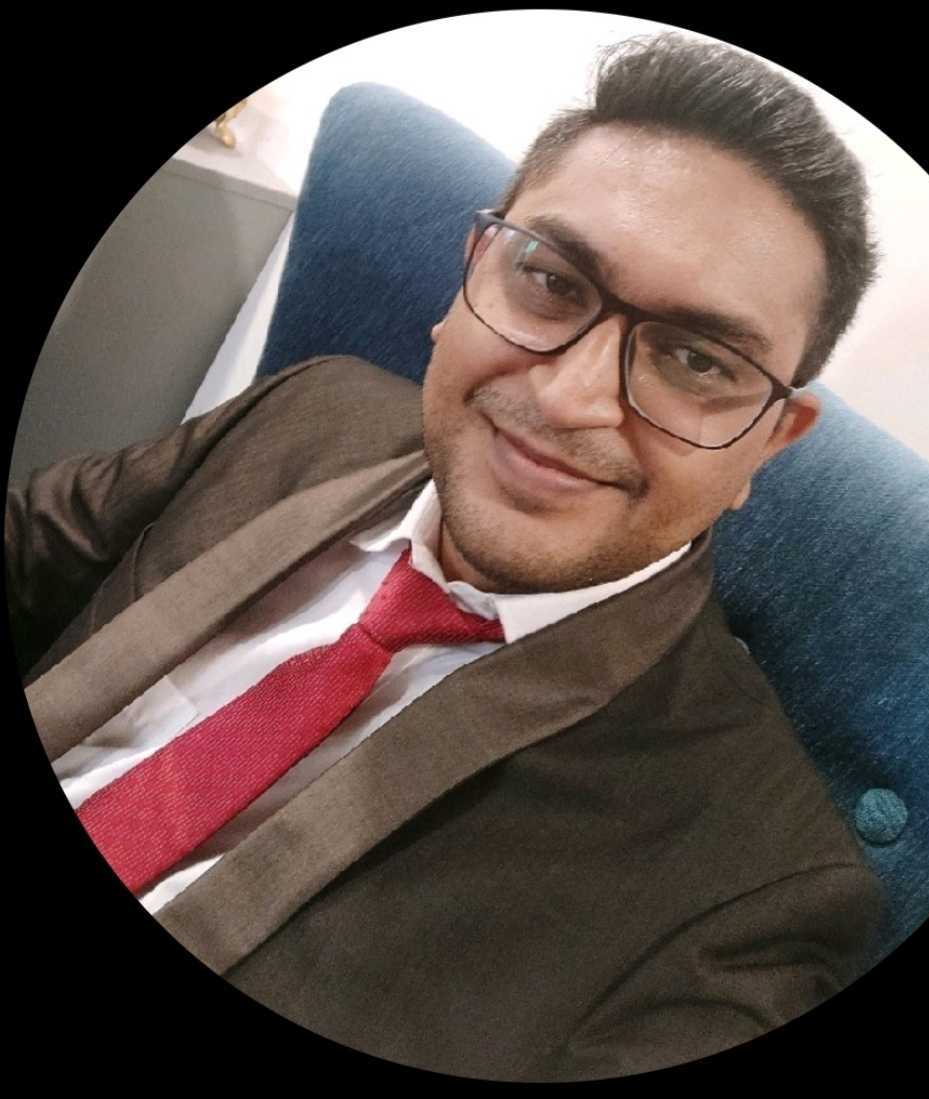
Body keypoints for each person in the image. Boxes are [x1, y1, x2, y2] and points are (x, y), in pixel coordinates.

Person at [9, 33, 884, 1080]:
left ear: (768, 444)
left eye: (697, 359)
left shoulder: (752, 892)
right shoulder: (309, 412)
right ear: (472, 271)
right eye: (551, 280)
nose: (569, 396)